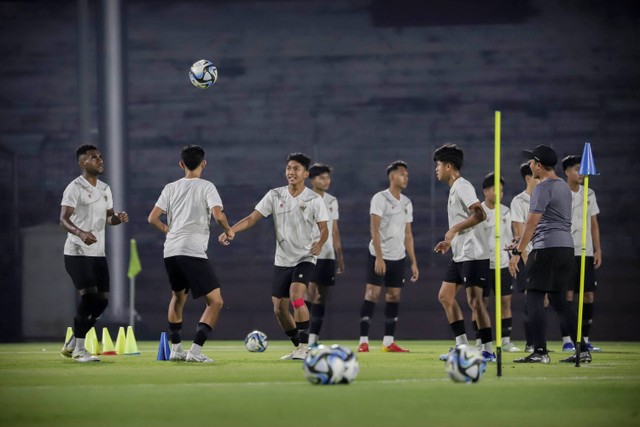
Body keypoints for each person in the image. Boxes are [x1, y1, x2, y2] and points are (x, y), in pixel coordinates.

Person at [219, 153, 329, 360]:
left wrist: (319, 243)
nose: (291, 172)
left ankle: (305, 347)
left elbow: (324, 228)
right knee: (279, 308)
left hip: (305, 257)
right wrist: (231, 230)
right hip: (282, 260)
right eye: (289, 168)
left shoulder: (314, 199)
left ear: (305, 173)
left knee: (297, 297)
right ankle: (299, 347)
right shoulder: (275, 195)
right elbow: (253, 218)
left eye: (296, 169)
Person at [147, 145, 234, 363]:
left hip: (171, 251)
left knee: (178, 296)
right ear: (203, 163)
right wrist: (228, 229)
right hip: (192, 251)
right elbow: (217, 214)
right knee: (216, 302)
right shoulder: (207, 186)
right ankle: (195, 352)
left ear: (181, 164)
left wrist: (169, 230)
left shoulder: (170, 187)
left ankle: (176, 349)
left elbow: (152, 218)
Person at [509, 145, 590, 364]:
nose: (529, 165)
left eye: (531, 162)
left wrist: (517, 251)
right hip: (565, 249)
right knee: (559, 301)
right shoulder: (563, 186)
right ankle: (582, 349)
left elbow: (532, 223)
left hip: (546, 249)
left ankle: (540, 351)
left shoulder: (541, 188)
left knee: (534, 297)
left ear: (539, 165)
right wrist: (521, 241)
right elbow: (550, 222)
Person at [59, 144, 129, 362]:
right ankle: (79, 349)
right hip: (76, 252)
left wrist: (117, 218)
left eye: (100, 157)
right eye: (93, 158)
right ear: (83, 163)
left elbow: (108, 218)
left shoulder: (105, 189)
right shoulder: (74, 188)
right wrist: (80, 233)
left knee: (102, 302)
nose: (100, 160)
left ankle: (74, 340)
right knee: (89, 298)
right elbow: (63, 219)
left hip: (98, 254)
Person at [432, 144, 495, 362]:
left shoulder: (462, 186)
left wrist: (454, 229)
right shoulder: (454, 189)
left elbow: (480, 213)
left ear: (448, 166)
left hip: (474, 254)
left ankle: (487, 350)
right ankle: (462, 346)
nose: (436, 169)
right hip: (460, 253)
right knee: (445, 296)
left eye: (438, 165)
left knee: (475, 302)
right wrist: (450, 241)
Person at [357, 161, 419, 353]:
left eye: (407, 175)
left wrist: (413, 262)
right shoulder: (380, 198)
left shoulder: (407, 203)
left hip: (398, 257)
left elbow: (408, 234)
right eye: (402, 174)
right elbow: (373, 228)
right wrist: (379, 257)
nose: (405, 177)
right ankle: (363, 341)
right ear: (392, 176)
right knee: (372, 294)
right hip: (378, 255)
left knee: (394, 296)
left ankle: (388, 342)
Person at [562, 155, 602, 352]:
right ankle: (567, 339)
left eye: (583, 169)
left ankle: (585, 338)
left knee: (587, 295)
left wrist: (598, 249)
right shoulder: (560, 193)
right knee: (567, 294)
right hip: (568, 251)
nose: (581, 173)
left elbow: (594, 223)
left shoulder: (590, 194)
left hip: (586, 252)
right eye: (577, 169)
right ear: (567, 172)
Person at [304, 163, 346, 348]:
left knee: (321, 296)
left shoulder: (332, 201)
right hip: (311, 253)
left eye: (327, 177)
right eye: (321, 177)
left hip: (328, 254)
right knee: (309, 294)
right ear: (312, 180)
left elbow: (334, 230)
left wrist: (340, 256)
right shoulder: (305, 199)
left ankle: (313, 338)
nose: (326, 181)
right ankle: (302, 336)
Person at [479, 173, 520, 352]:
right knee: (481, 304)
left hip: (502, 264)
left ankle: (505, 340)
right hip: (483, 264)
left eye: (502, 190)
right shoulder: (478, 211)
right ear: (486, 191)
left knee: (505, 302)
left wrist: (512, 257)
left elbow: (509, 236)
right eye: (496, 189)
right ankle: (482, 340)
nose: (500, 193)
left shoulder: (505, 211)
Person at [509, 162, 540, 353]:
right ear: (528, 178)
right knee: (531, 299)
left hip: (544, 255)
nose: (540, 180)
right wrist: (529, 261)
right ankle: (531, 343)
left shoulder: (544, 199)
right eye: (537, 177)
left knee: (543, 301)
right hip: (527, 256)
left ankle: (539, 342)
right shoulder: (518, 202)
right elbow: (520, 234)